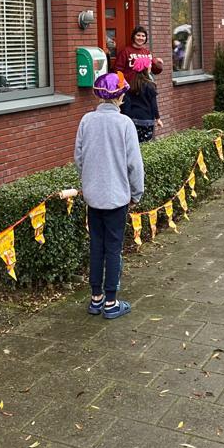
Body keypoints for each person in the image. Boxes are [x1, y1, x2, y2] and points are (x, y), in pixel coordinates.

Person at [74, 71, 144, 320]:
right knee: (113, 249)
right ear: (120, 96)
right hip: (116, 197)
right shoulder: (124, 124)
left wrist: (87, 183)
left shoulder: (86, 121)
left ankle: (96, 299)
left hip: (93, 196)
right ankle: (112, 302)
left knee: (96, 246)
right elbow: (134, 164)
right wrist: (137, 193)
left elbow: (79, 158)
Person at [121, 55, 162, 142]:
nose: (150, 66)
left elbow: (127, 102)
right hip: (146, 120)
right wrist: (158, 118)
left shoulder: (131, 84)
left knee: (134, 143)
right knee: (145, 145)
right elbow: (153, 104)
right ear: (146, 68)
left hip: (133, 119)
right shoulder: (150, 85)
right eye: (149, 65)